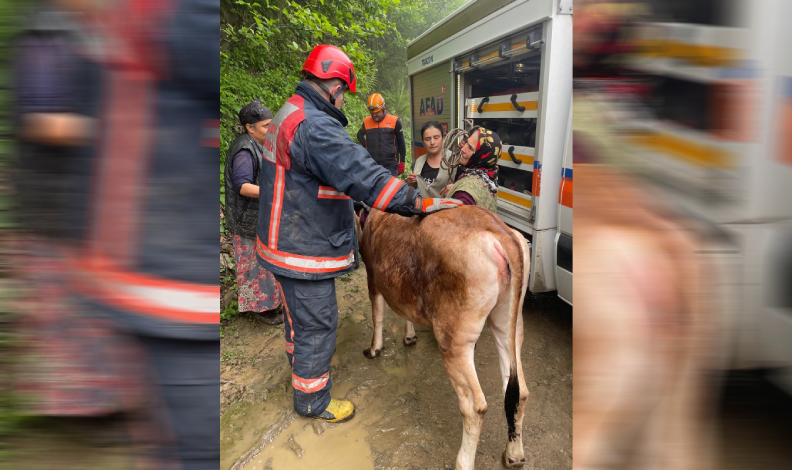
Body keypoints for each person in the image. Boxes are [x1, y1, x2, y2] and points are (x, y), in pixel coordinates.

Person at [258, 44, 461, 424]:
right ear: (334, 84)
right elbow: (366, 179)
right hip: (301, 244)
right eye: (343, 92)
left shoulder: (289, 112)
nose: (343, 99)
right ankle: (312, 400)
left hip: (280, 238)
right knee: (318, 322)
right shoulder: (315, 127)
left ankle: (299, 364)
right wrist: (420, 204)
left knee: (298, 317)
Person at [223, 100, 283, 325]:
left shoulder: (259, 144)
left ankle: (271, 303)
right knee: (254, 266)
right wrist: (275, 192)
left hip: (258, 216)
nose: (271, 130)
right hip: (247, 219)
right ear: (250, 127)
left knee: (264, 263)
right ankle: (260, 310)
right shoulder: (245, 149)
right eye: (266, 126)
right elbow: (242, 185)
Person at [440, 127, 501, 212]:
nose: (463, 149)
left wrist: (458, 191)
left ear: (481, 156)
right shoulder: (489, 176)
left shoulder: (465, 195)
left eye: (470, 148)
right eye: (466, 143)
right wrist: (456, 186)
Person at [356, 92, 406, 177]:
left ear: (383, 108)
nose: (374, 115)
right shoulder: (366, 121)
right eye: (372, 113)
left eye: (377, 112)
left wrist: (402, 161)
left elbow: (401, 142)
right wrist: (366, 146)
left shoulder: (394, 121)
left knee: (391, 190)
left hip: (391, 165)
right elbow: (359, 135)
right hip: (372, 165)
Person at [406, 121, 457, 198]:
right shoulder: (419, 161)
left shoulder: (454, 160)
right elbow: (414, 189)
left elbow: (465, 185)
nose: (432, 142)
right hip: (423, 208)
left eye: (436, 138)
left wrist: (455, 186)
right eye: (427, 139)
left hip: (447, 208)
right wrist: (411, 183)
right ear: (423, 142)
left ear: (443, 139)